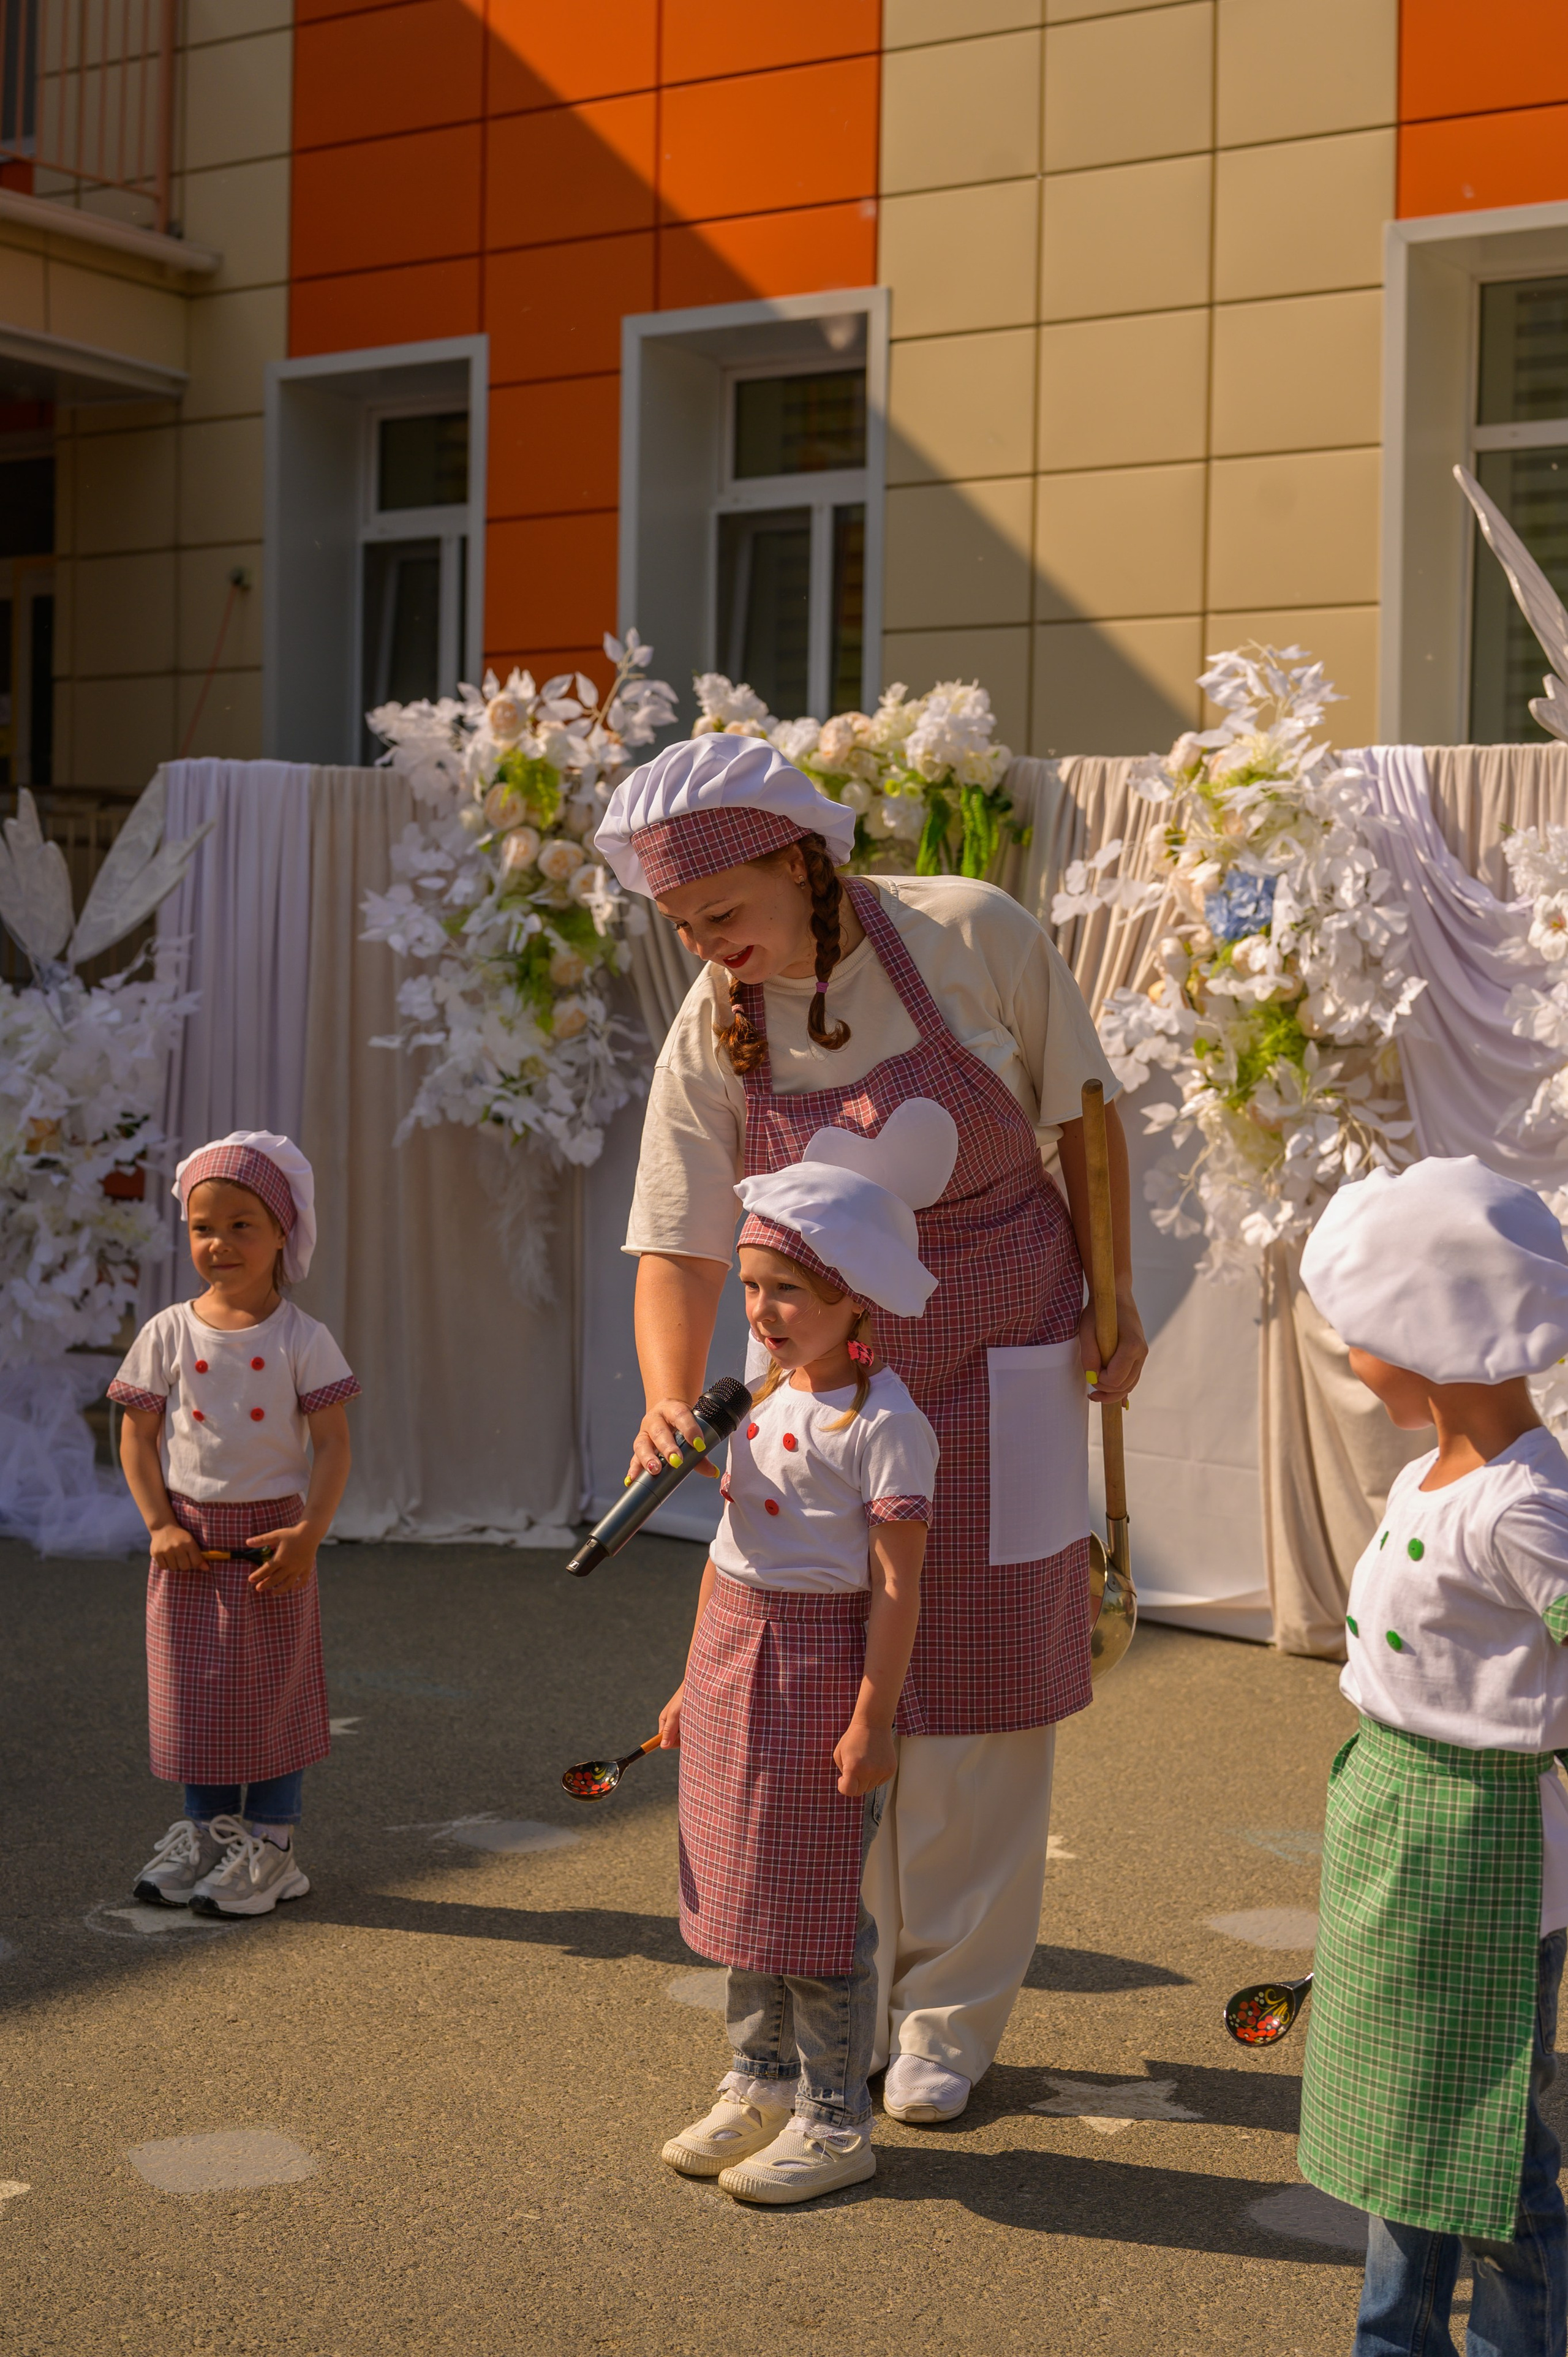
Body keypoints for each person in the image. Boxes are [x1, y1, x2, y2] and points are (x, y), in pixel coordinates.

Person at [597, 730, 1147, 2124]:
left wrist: (1114, 1296)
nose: (705, 944)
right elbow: (677, 1229)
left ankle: (947, 2012)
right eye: (681, 925)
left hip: (1004, 1351)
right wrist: (672, 1391)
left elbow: (1082, 1118)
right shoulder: (710, 1024)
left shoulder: (971, 931)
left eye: (720, 912)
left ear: (800, 855)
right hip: (815, 1393)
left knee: (979, 1688)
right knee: (813, 1691)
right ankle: (832, 1997)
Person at [1296, 1156, 1568, 2357]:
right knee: (1405, 2122)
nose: (1352, 1355)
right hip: (1402, 1829)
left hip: (1485, 1847)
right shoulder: (1428, 1475)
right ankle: (1392, 2338)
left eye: (1359, 1333)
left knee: (1489, 2139)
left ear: (1422, 1333)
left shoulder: (1519, 1504)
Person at [658, 1099, 951, 2203]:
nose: (765, 1309)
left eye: (788, 1285)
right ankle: (758, 2078)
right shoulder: (760, 1398)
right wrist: (693, 1676)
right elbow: (727, 1549)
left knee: (818, 1899)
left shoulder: (885, 1422)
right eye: (753, 1286)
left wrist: (873, 1711)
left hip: (823, 1668)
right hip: (738, 1655)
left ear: (851, 1290)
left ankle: (838, 2115)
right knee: (743, 1883)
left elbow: (897, 1581)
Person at [109, 1131, 360, 1919]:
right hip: (186, 1540)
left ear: (284, 1230)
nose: (219, 1242)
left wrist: (309, 1532)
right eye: (202, 1226)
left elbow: (333, 1444)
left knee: (273, 1693)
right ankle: (207, 1833)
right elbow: (138, 1436)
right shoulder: (168, 1331)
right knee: (196, 1694)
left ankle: (273, 1845)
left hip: (272, 1543)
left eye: (242, 1224)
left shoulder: (302, 1339)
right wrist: (159, 1522)